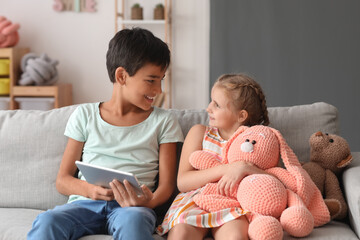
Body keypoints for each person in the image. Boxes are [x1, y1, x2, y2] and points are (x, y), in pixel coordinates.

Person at [27, 28, 184, 240]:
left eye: (161, 80)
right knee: (48, 221)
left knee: (134, 222)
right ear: (122, 76)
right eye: (151, 80)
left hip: (132, 209)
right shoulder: (85, 115)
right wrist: (90, 190)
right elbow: (63, 180)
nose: (158, 89)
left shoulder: (164, 121)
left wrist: (149, 202)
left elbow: (166, 186)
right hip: (85, 204)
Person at [157, 73, 270, 240]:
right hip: (195, 201)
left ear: (241, 116)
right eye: (211, 101)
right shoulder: (200, 133)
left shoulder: (257, 141)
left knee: (235, 237)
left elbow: (274, 181)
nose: (208, 108)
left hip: (232, 205)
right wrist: (229, 169)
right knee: (181, 234)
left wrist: (245, 168)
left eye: (217, 105)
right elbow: (183, 182)